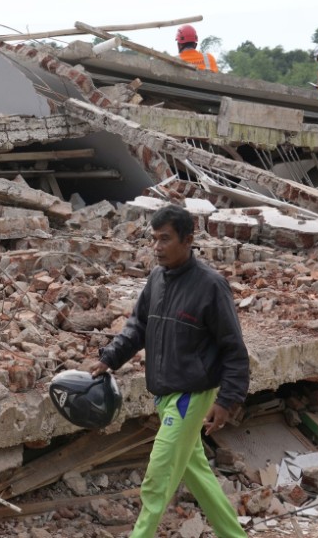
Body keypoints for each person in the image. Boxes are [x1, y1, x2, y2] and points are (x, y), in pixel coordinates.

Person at [90, 204, 249, 538]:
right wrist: (109, 358)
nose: (156, 247)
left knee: (157, 479)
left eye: (165, 239)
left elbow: (234, 350)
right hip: (165, 396)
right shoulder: (157, 279)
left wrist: (228, 399)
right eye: (153, 239)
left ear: (188, 240)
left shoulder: (211, 286)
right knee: (198, 476)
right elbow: (137, 327)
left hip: (190, 396)